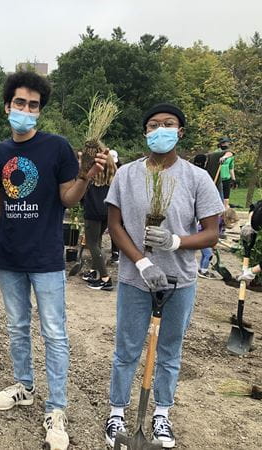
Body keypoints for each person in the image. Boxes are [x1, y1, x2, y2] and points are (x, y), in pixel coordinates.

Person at [0, 71, 106, 450]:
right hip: (10, 257)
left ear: (39, 111)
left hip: (46, 257)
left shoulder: (57, 147)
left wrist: (85, 176)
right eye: (20, 103)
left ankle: (57, 408)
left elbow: (68, 198)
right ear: (7, 106)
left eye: (33, 105)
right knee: (16, 326)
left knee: (54, 333)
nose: (26, 110)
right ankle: (24, 386)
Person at [104, 103, 224, 448]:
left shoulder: (196, 178)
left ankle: (161, 416)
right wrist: (142, 262)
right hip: (134, 279)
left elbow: (212, 232)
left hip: (180, 281)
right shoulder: (126, 175)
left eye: (168, 124)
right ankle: (117, 413)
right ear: (145, 132)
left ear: (180, 132)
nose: (160, 130)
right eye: (153, 125)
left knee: (170, 351)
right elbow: (115, 225)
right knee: (126, 349)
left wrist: (176, 241)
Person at [81, 152, 117, 290]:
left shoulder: (91, 180)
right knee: (98, 241)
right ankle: (93, 271)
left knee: (92, 243)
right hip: (105, 213)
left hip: (93, 214)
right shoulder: (111, 180)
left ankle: (105, 278)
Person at [218, 138, 236, 209]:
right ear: (221, 144)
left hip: (226, 178)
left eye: (227, 143)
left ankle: (225, 212)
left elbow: (231, 168)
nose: (226, 144)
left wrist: (233, 179)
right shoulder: (217, 152)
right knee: (219, 196)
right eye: (225, 143)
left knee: (226, 198)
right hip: (218, 178)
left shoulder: (230, 155)